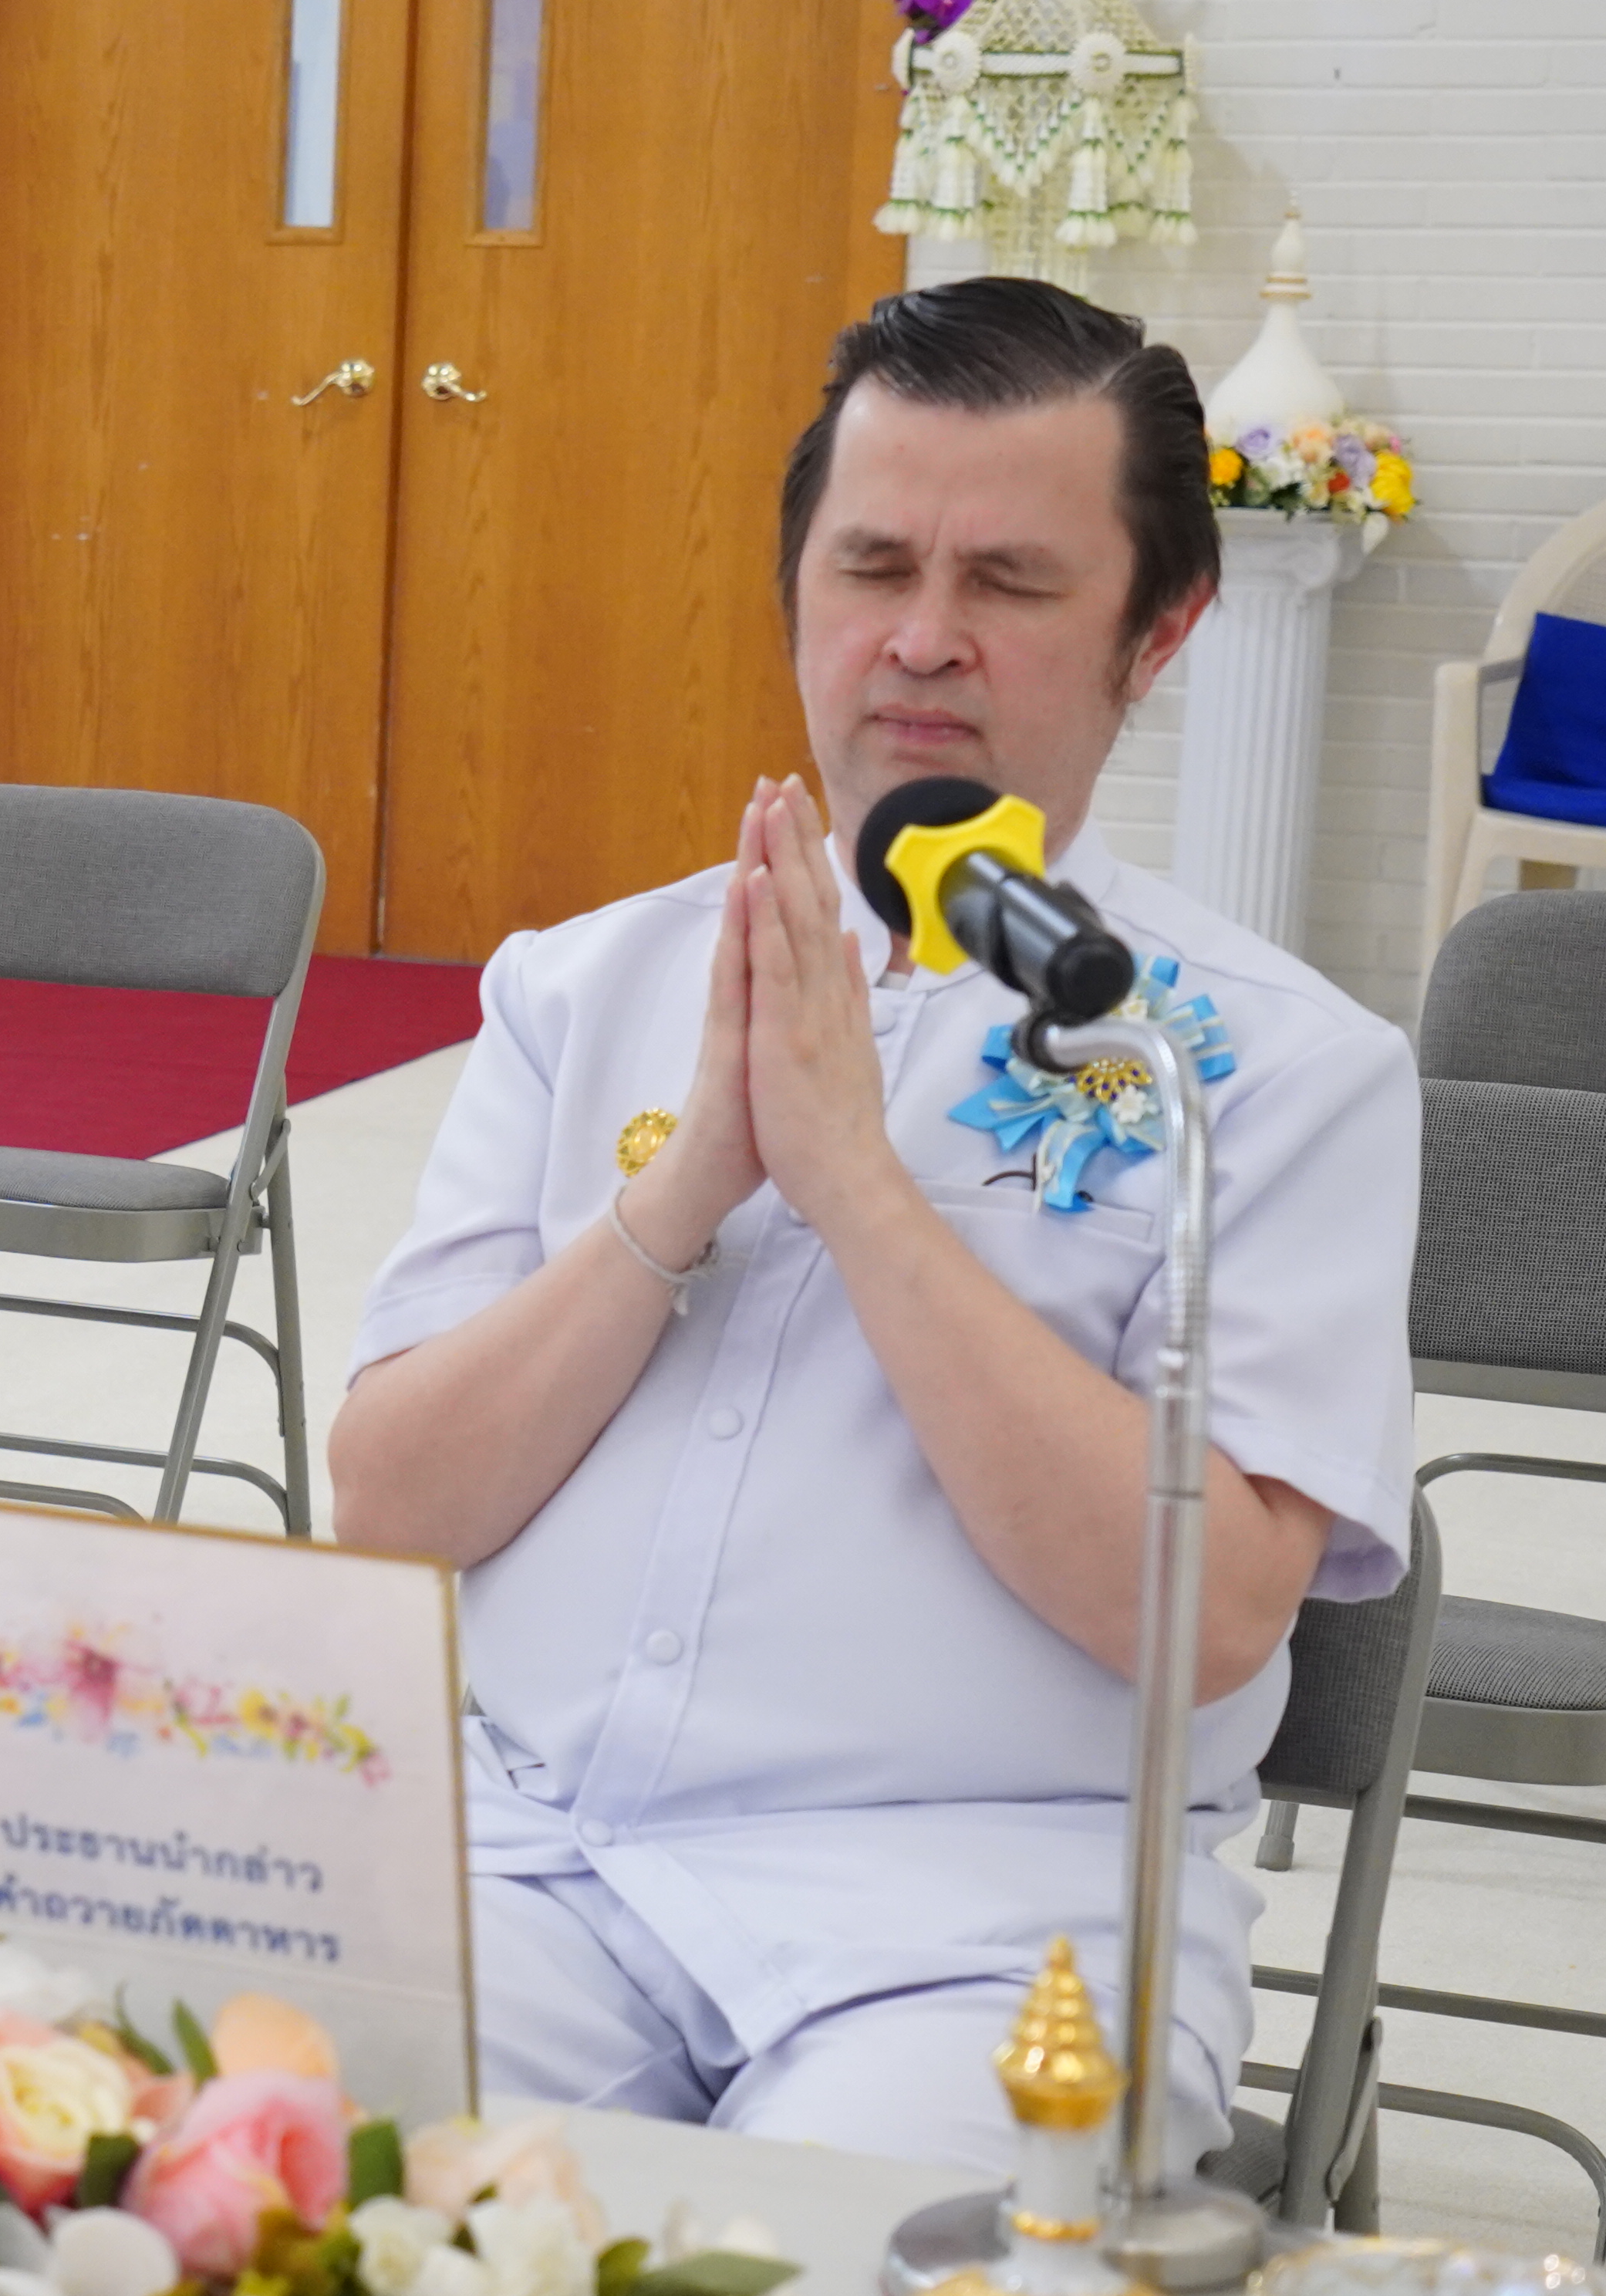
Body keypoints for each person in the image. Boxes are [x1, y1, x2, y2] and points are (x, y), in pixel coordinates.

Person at [324, 278, 1419, 2178]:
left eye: (1009, 580)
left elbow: (1204, 1619)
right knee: (199, 2199)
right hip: (534, 1870)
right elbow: (390, 1512)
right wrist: (687, 1192)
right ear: (796, 594)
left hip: (991, 1933)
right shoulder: (589, 986)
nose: (922, 639)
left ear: (1157, 629)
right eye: (874, 564)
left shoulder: (1263, 1064)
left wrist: (858, 1186)